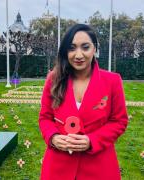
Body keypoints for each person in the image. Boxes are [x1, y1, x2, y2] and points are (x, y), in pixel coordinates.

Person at [38, 23, 128, 180]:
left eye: (85, 47)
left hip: (99, 167)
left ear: (95, 49)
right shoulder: (53, 78)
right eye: (72, 48)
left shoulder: (112, 81)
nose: (78, 55)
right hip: (58, 167)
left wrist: (92, 141)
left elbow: (119, 121)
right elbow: (45, 117)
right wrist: (53, 138)